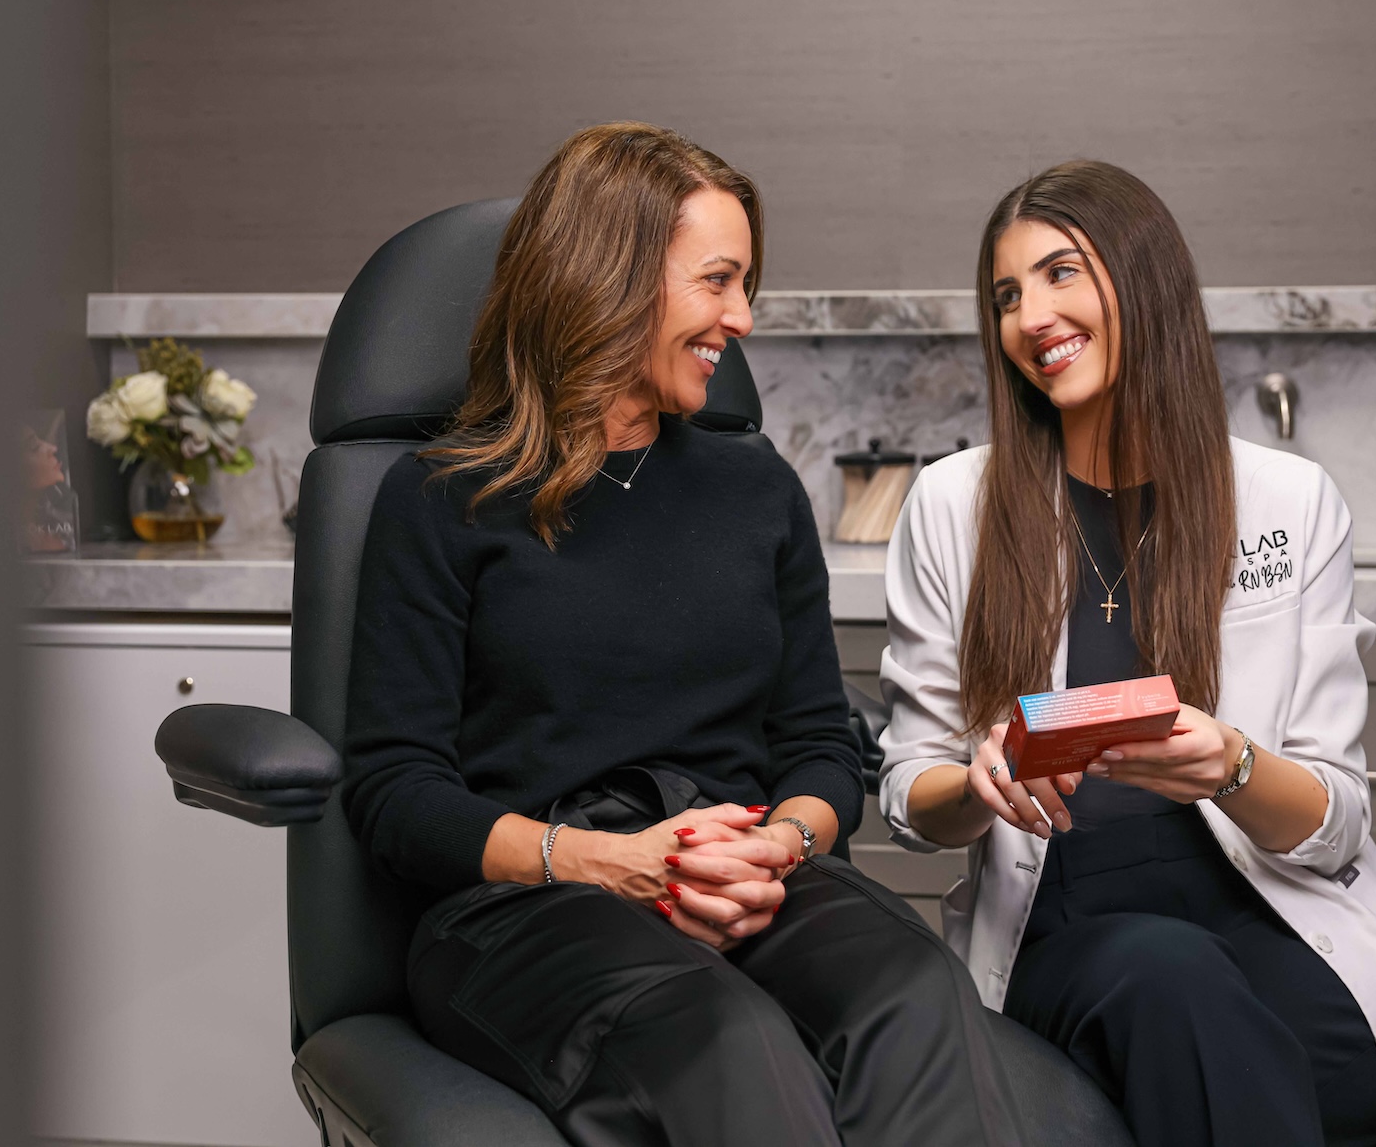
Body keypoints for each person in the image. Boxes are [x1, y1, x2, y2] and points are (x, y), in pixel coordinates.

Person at [341, 123, 1027, 1147]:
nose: (741, 318)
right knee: (728, 1039)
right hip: (524, 902)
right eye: (717, 281)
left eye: (745, 284)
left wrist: (778, 841)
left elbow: (817, 745)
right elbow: (395, 791)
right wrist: (609, 861)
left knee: (913, 992)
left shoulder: (756, 490)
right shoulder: (443, 497)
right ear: (608, 278)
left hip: (743, 872)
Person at [878, 161, 1376, 1147]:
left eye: (1061, 273)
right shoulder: (951, 505)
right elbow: (908, 796)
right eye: (1006, 294)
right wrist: (980, 782)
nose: (1031, 316)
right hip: (1065, 924)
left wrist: (1232, 763)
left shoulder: (1290, 500)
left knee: (1345, 1062)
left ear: (1143, 278)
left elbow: (1335, 821)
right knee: (1172, 981)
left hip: (1262, 901)